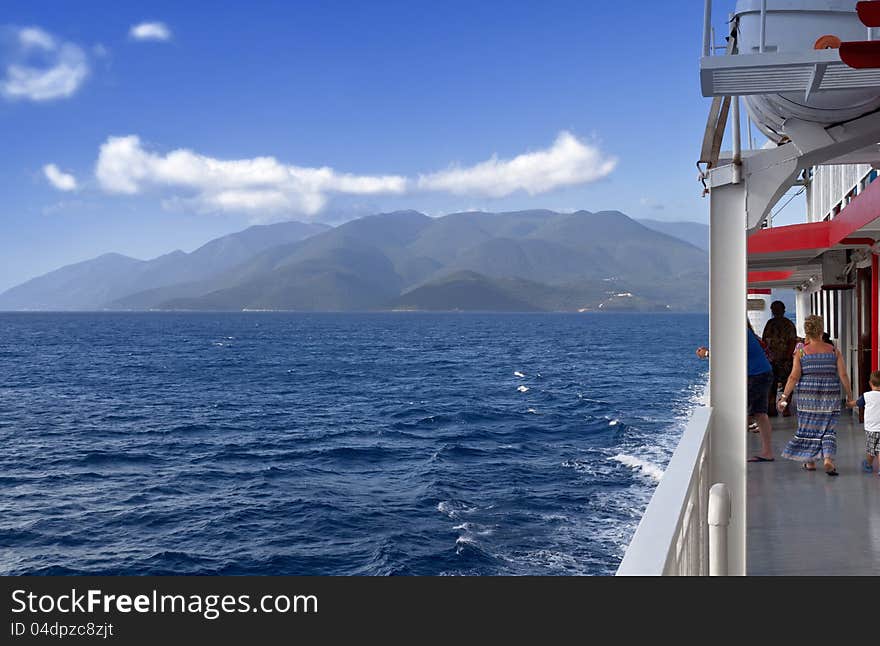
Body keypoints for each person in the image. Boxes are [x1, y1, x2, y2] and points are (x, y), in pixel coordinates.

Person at [778, 314, 853, 475]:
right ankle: (827, 459)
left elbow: (793, 377)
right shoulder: (833, 351)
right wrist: (850, 396)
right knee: (828, 429)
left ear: (807, 332)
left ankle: (810, 462)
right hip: (830, 395)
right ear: (821, 331)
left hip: (807, 397)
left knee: (808, 427)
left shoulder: (801, 353)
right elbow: (843, 375)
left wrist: (784, 397)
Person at [695, 322, 775, 462]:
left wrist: (706, 353)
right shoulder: (744, 330)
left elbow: (728, 357)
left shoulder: (736, 332)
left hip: (755, 375)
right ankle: (767, 452)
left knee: (742, 413)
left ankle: (734, 456)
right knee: (760, 413)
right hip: (764, 372)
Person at [762, 301, 798, 417]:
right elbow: (792, 341)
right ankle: (779, 408)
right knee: (783, 384)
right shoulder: (787, 324)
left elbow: (764, 342)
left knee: (776, 384)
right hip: (779, 360)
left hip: (778, 360)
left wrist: (785, 357)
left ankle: (776, 407)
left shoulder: (772, 324)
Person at [846, 370, 880, 477]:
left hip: (871, 429)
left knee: (871, 450)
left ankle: (868, 464)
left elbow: (856, 403)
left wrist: (848, 404)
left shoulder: (866, 396)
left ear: (870, 383)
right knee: (879, 450)